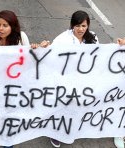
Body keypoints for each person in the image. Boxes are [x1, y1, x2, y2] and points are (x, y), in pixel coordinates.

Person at [49, 10, 98, 147]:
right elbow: (50, 56)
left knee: (76, 106)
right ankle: (54, 133)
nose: (81, 29)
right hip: (65, 79)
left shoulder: (93, 37)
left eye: (84, 26)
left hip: (83, 79)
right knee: (61, 106)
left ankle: (70, 128)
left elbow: (98, 55)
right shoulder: (62, 39)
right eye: (77, 26)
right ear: (72, 25)